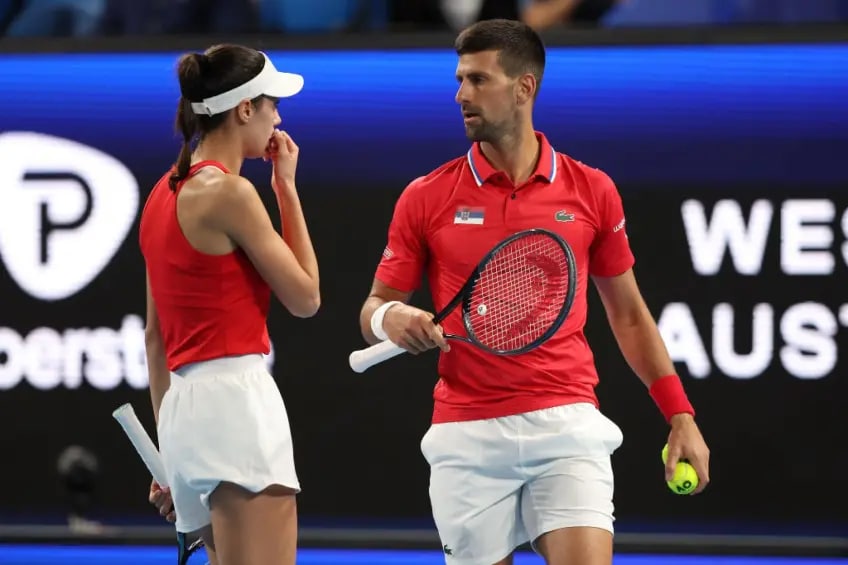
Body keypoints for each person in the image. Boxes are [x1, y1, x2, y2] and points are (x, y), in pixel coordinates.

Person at [357, 19, 709, 565]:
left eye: (478, 80)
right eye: (459, 80)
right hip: (467, 434)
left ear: (525, 88)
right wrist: (392, 320)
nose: (461, 95)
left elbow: (629, 315)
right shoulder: (425, 196)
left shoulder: (592, 189)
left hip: (566, 423)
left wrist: (680, 415)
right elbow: (374, 309)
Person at [139, 43, 320, 565]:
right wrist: (285, 188)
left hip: (182, 417)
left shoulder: (161, 194)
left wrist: (169, 452)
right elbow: (306, 297)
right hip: (237, 412)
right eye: (272, 105)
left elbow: (155, 340)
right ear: (244, 110)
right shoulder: (232, 194)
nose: (278, 118)